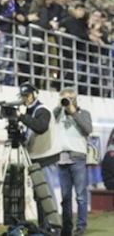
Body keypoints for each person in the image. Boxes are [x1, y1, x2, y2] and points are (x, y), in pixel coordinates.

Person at [16, 82, 60, 231]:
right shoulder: (31, 112)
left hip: (46, 158)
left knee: (46, 196)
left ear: (34, 94)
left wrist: (21, 116)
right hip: (37, 158)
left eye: (27, 96)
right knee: (40, 197)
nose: (25, 99)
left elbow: (40, 127)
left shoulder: (42, 110)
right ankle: (44, 228)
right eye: (23, 96)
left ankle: (53, 228)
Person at [54, 88, 92, 236]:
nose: (68, 101)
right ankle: (66, 228)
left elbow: (87, 129)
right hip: (62, 159)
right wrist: (59, 106)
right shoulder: (58, 114)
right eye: (65, 98)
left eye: (70, 98)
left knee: (81, 196)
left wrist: (73, 111)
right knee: (65, 197)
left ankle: (81, 227)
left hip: (78, 158)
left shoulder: (83, 113)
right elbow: (50, 121)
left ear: (75, 99)